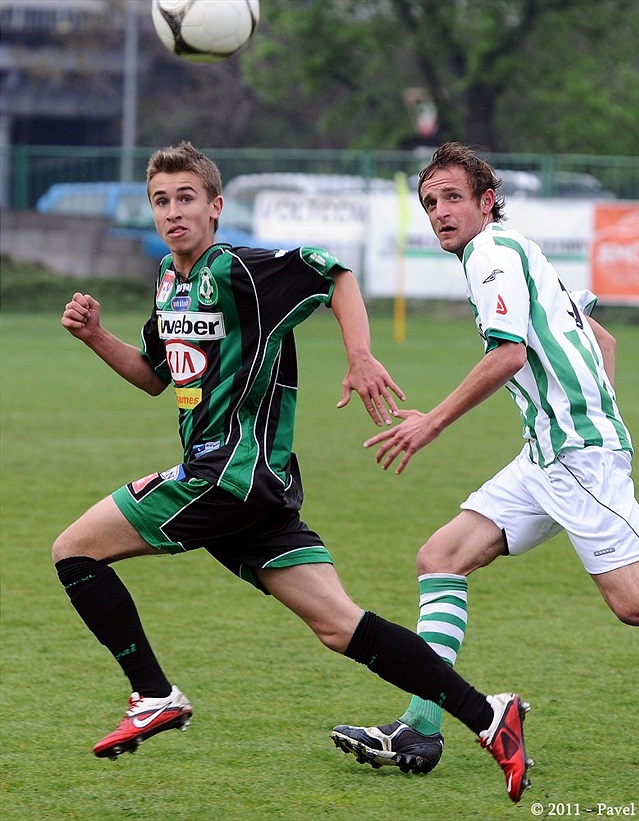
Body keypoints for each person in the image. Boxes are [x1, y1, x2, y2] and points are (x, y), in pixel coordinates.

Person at [54, 140, 533, 803]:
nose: (172, 211)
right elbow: (154, 376)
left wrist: (360, 355)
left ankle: (154, 693)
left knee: (73, 549)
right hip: (253, 490)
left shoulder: (244, 270)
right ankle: (489, 717)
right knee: (340, 624)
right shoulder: (169, 278)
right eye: (160, 201)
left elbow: (335, 273)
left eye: (186, 197)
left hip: (229, 476)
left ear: (216, 207)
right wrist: (95, 337)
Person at [331, 141, 639, 777]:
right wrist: (591, 412)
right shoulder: (520, 249)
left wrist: (433, 425)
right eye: (430, 203)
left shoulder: (491, 254)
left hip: (575, 457)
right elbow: (599, 338)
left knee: (637, 602)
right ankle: (421, 730)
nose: (440, 212)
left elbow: (509, 354)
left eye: (452, 198)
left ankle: (424, 725)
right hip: (549, 455)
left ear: (486, 202)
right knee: (440, 558)